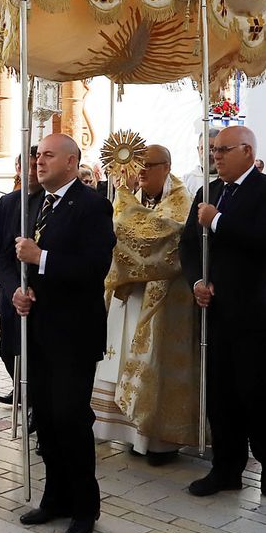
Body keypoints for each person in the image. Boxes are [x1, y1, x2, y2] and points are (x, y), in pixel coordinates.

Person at [4, 133, 115, 533]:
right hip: (37, 328)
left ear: (72, 162)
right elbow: (17, 263)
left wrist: (42, 258)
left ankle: (86, 504)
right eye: (37, 155)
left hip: (74, 332)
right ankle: (55, 496)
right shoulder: (33, 204)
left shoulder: (92, 205)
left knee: (70, 417)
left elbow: (94, 267)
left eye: (49, 155)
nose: (39, 161)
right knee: (45, 419)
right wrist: (22, 289)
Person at [181, 125, 266, 497]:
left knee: (255, 392)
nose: (215, 156)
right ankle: (226, 467)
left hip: (255, 312)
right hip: (215, 310)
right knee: (220, 393)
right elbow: (188, 246)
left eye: (223, 150)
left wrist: (217, 221)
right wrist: (197, 281)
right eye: (213, 150)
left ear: (246, 151)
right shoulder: (207, 191)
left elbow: (265, 240)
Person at [92, 144, 198, 463]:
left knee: (155, 366)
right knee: (120, 358)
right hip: (129, 297)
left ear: (166, 166)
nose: (141, 173)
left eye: (147, 167)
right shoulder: (134, 201)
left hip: (164, 300)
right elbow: (116, 238)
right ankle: (126, 432)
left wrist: (124, 207)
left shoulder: (182, 203)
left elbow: (156, 240)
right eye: (138, 167)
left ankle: (159, 441)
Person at [0, 148, 39, 405]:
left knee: (35, 353)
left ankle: (34, 401)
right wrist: (12, 288)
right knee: (8, 349)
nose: (31, 172)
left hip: (38, 293)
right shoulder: (8, 202)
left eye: (35, 165)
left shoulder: (46, 201)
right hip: (11, 291)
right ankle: (19, 386)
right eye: (25, 166)